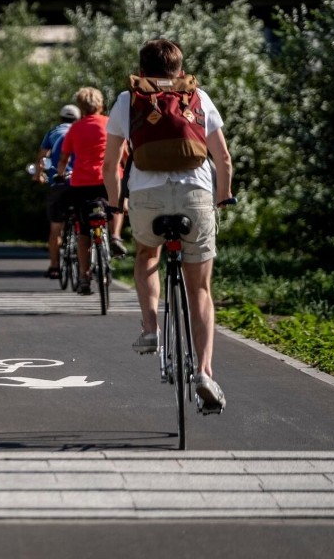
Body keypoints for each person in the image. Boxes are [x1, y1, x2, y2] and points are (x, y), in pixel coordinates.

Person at [103, 38, 233, 411]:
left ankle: (150, 329)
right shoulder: (199, 97)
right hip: (195, 195)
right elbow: (222, 157)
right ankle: (205, 373)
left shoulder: (128, 100)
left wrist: (115, 203)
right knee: (201, 288)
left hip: (147, 197)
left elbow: (111, 163)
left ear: (142, 70)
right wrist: (223, 196)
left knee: (146, 255)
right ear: (180, 69)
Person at [55, 87, 125, 295]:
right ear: (101, 105)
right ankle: (115, 236)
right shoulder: (111, 123)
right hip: (108, 178)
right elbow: (126, 152)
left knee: (83, 231)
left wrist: (60, 174)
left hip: (82, 183)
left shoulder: (75, 128)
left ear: (81, 107)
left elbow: (64, 158)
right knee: (116, 206)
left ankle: (84, 278)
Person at [33, 103, 81, 279]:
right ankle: (86, 268)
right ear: (77, 118)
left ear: (61, 118)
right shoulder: (81, 130)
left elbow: (42, 157)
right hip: (80, 182)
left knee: (55, 228)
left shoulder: (53, 132)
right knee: (84, 224)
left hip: (58, 183)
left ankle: (54, 266)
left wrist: (38, 175)